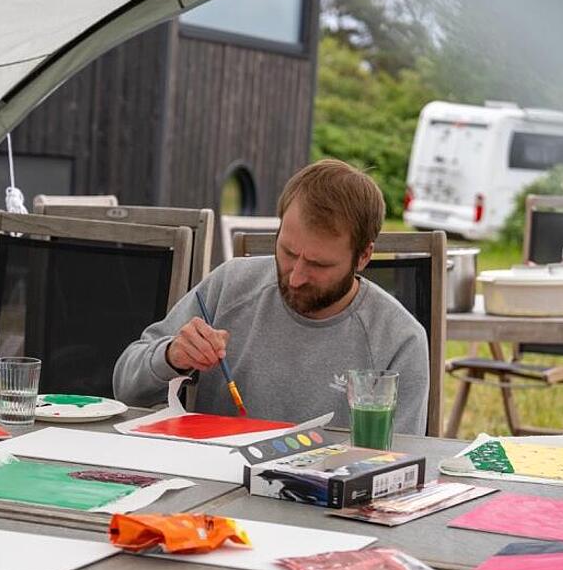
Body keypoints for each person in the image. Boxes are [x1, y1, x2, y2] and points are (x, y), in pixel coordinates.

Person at [113, 159, 430, 435]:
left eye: (319, 264)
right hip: (210, 488)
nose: (296, 277)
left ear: (363, 257)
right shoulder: (230, 285)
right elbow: (125, 387)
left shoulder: (399, 340)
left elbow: (397, 462)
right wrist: (171, 356)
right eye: (288, 251)